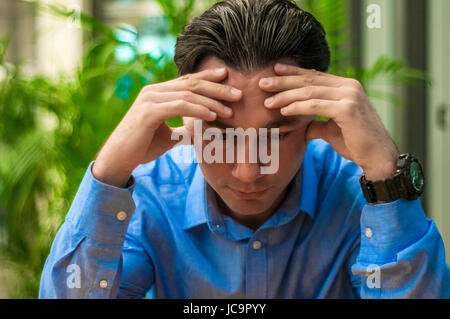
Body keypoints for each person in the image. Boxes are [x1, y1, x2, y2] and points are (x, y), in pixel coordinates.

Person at [39, 0, 449, 298]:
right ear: (187, 119)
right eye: (223, 136)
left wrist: (385, 175)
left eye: (277, 135)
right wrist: (108, 173)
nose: (249, 173)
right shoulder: (148, 194)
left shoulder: (358, 194)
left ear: (314, 121)